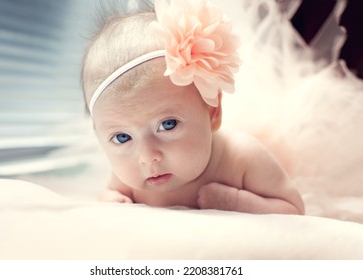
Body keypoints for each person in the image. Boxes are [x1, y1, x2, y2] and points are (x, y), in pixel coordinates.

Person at [81, 0, 304, 214]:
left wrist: (234, 201)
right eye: (121, 137)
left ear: (213, 112)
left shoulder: (240, 158)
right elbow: (112, 192)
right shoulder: (127, 175)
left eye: (167, 125)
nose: (148, 156)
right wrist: (111, 201)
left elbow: (293, 210)